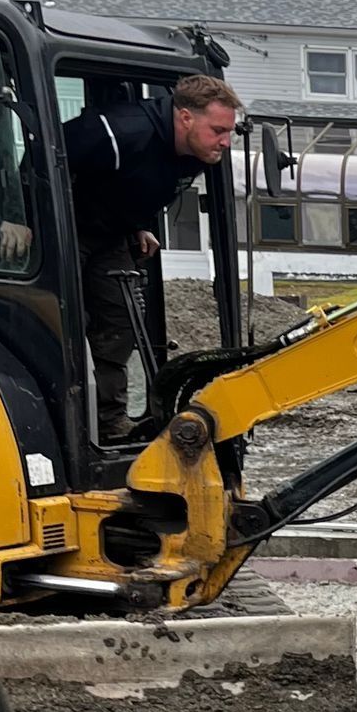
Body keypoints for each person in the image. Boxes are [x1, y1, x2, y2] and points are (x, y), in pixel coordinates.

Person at [62, 73, 241, 443]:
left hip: (110, 233)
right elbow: (44, 158)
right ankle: (62, 420)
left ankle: (108, 422)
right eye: (219, 129)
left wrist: (138, 224)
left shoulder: (197, 152)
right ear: (186, 117)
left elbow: (136, 185)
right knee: (64, 317)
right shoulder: (119, 132)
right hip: (61, 228)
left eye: (229, 132)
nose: (226, 141)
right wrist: (18, 217)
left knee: (119, 320)